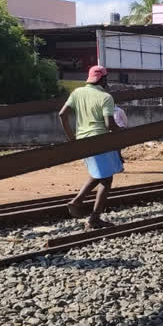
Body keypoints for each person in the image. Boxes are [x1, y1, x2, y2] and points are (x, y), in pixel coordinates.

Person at [58, 66, 123, 229]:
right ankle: (93, 217)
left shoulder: (77, 93)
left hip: (83, 139)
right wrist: (123, 133)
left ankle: (79, 201)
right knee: (106, 180)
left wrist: (72, 138)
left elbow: (62, 114)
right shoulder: (105, 97)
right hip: (100, 139)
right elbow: (109, 124)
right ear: (103, 80)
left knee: (100, 173)